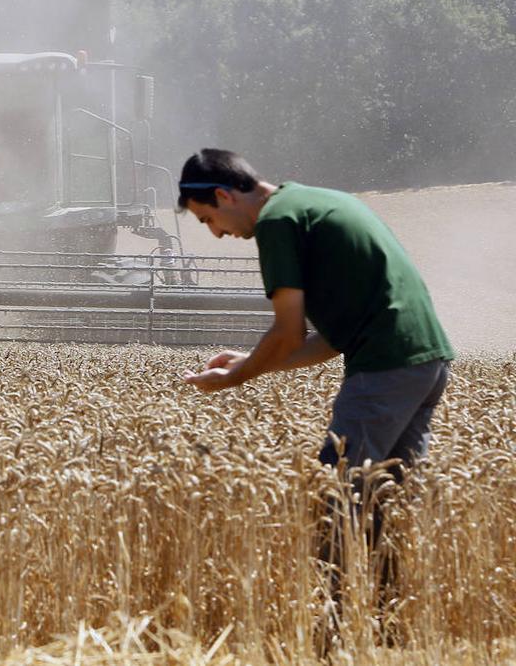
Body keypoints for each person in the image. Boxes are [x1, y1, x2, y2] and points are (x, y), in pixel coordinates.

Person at [175, 148, 454, 647]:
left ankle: (331, 642)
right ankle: (387, 635)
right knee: (383, 503)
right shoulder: (317, 202)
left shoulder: (278, 223)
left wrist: (234, 380)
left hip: (383, 371)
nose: (217, 233)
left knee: (336, 499)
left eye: (209, 220)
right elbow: (328, 339)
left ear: (223, 195)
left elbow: (286, 332)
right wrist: (247, 362)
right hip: (426, 362)